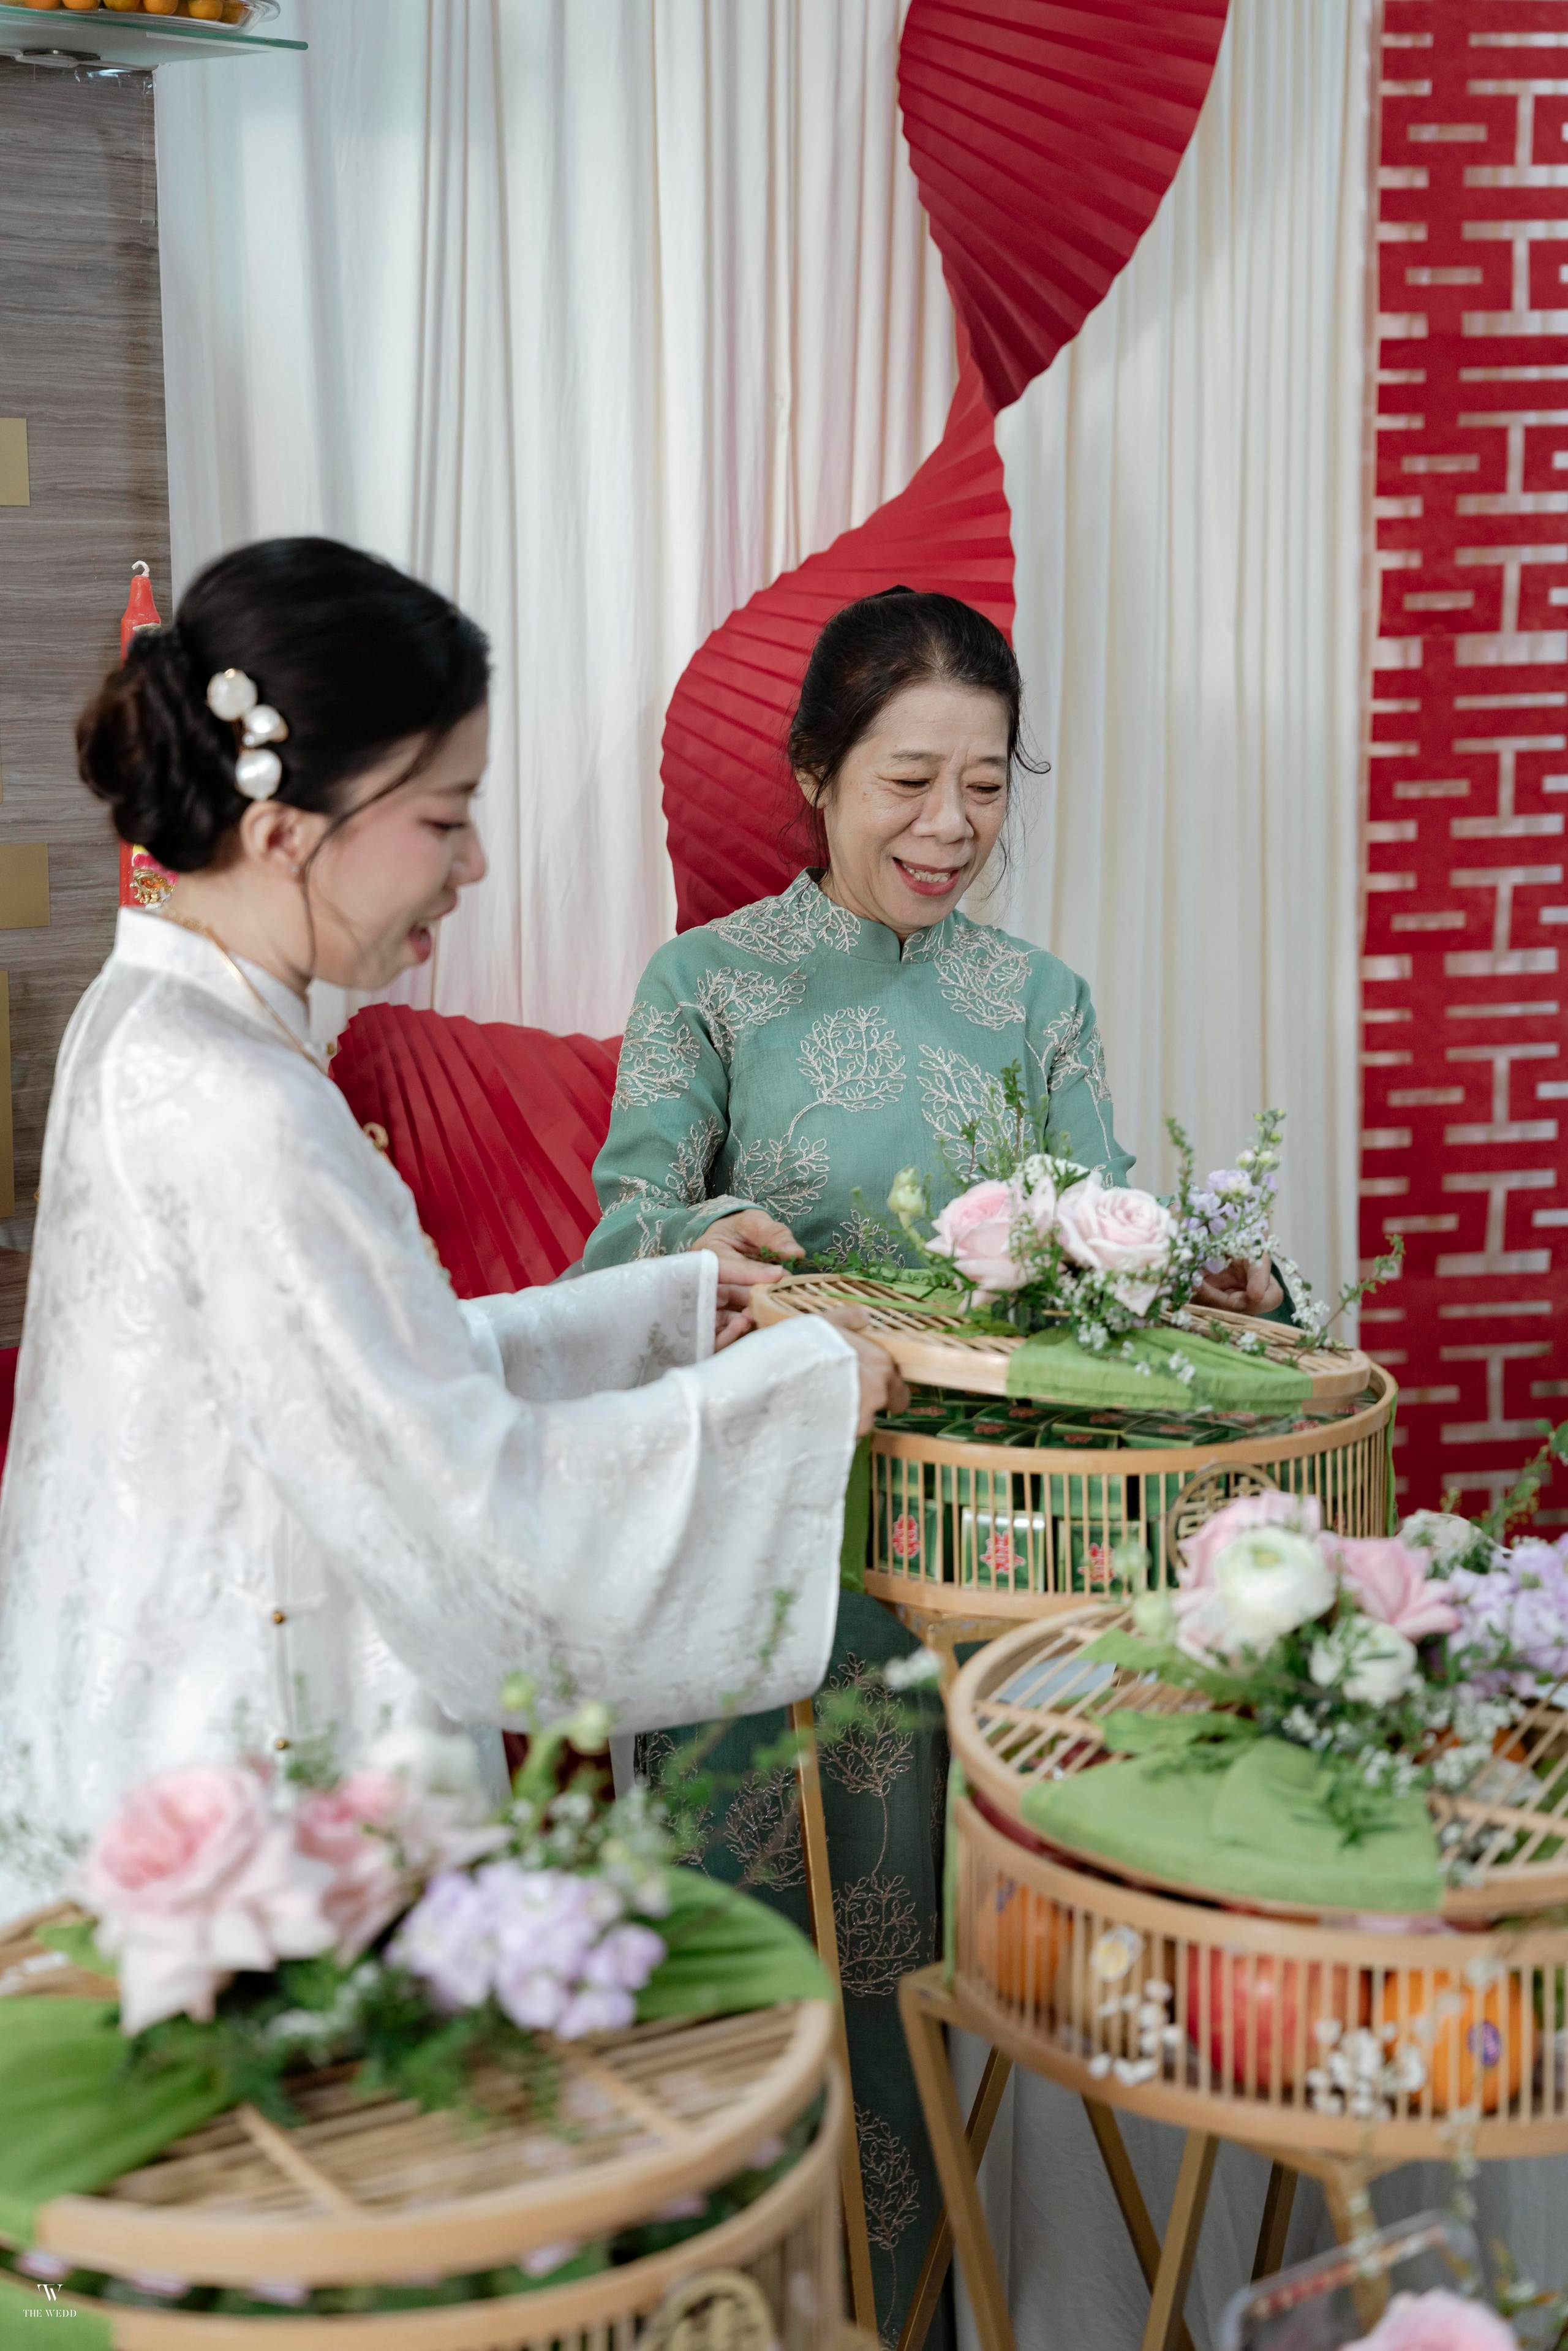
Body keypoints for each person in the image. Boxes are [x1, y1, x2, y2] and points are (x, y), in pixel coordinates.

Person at [0, 537, 907, 1928]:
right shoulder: (240, 1103)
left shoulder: (162, 1019)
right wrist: (797, 1399)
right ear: (286, 829)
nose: (474, 862)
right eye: (444, 815)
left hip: (158, 1741)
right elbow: (482, 1527)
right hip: (245, 1816)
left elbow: (360, 1377)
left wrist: (661, 1307)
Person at [583, 587, 1283, 2344]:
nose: (950, 826)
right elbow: (620, 1240)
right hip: (767, 1540)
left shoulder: (1039, 1003)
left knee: (954, 1962)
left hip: (991, 1566)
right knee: (764, 1946)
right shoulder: (706, 986)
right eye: (908, 782)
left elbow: (1101, 1262)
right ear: (816, 773)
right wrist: (703, 1240)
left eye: (984, 784)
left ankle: (926, 2311)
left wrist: (1192, 1276)